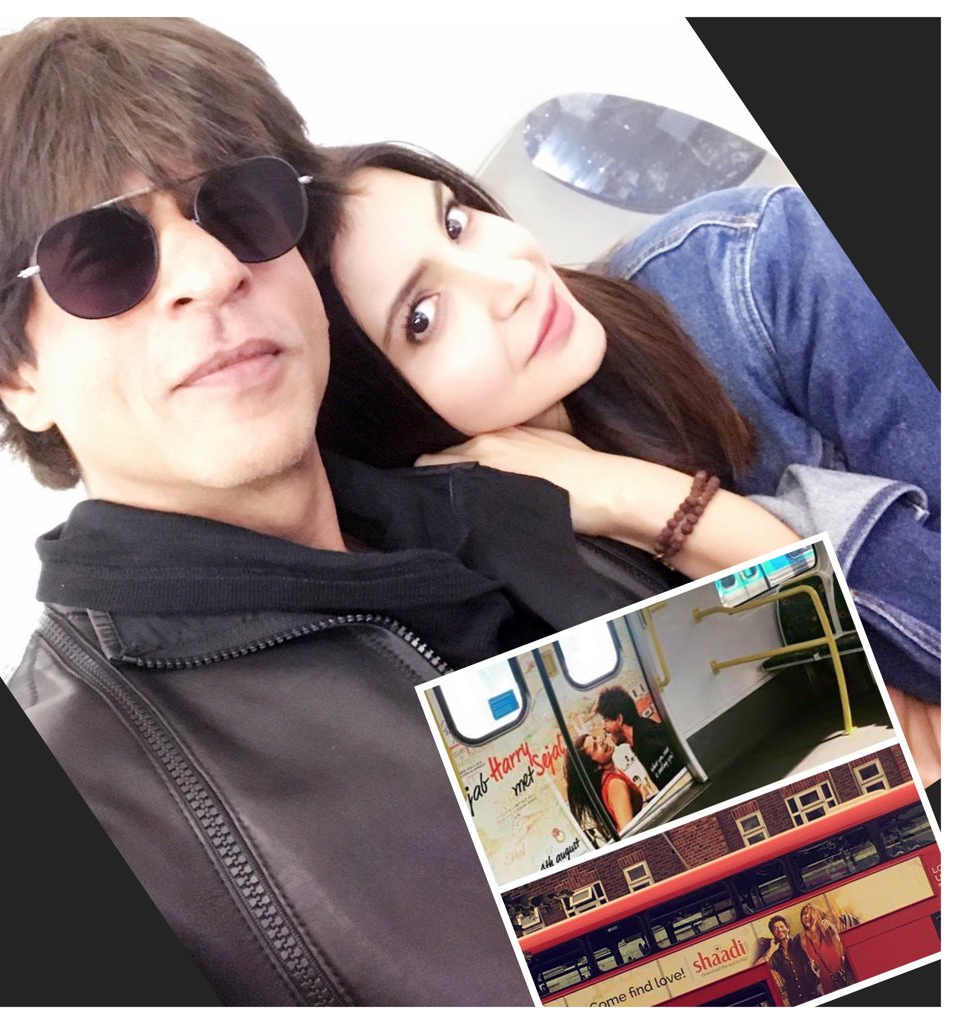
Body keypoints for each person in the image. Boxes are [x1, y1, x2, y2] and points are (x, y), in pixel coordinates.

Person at [0, 19, 687, 1007]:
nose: (211, 272)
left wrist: (670, 510)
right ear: (16, 375)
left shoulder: (513, 490)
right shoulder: (76, 797)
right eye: (102, 256)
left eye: (237, 208)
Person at [305, 142, 941, 782]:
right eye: (422, 317)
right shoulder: (484, 589)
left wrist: (647, 501)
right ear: (382, 415)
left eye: (455, 223)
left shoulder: (752, 267)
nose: (511, 279)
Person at [596, 685, 683, 791]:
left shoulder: (649, 744)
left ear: (619, 719)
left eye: (606, 721)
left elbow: (676, 787)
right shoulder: (644, 734)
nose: (604, 728)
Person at [564, 731, 643, 836]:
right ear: (595, 766)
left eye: (595, 738)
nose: (600, 741)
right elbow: (629, 831)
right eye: (596, 747)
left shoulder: (610, 778)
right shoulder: (615, 784)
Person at [756, 914, 820, 1006]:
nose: (779, 930)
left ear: (788, 928)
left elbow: (815, 938)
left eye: (781, 926)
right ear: (773, 934)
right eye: (775, 929)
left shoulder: (798, 941)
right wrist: (771, 950)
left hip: (813, 995)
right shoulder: (775, 954)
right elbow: (757, 969)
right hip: (795, 1001)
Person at [799, 903, 853, 995]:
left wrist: (833, 930)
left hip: (844, 973)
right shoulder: (804, 939)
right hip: (827, 981)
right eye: (804, 914)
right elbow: (812, 961)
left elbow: (842, 951)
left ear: (817, 914)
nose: (806, 916)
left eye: (809, 913)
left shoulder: (828, 929)